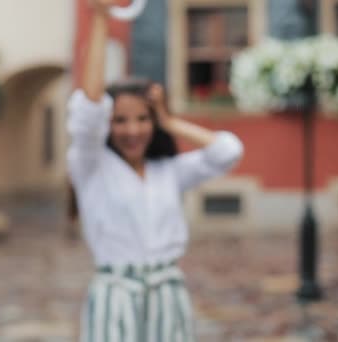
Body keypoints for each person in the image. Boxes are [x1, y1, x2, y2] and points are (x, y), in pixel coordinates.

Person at [66, 0, 244, 340]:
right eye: (120, 120)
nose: (132, 130)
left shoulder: (169, 171)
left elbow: (228, 152)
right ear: (108, 124)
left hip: (167, 293)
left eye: (142, 118)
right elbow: (88, 112)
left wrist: (170, 121)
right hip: (115, 294)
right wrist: (101, 21)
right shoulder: (90, 166)